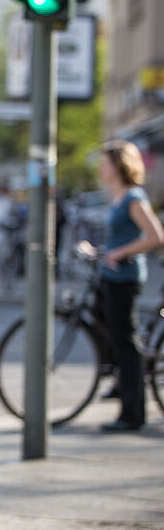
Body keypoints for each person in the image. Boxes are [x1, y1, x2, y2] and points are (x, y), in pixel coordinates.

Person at [94, 140, 164, 432]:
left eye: (105, 162)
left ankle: (132, 412)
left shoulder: (133, 198)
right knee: (110, 331)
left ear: (119, 166)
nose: (101, 167)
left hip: (126, 278)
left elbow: (155, 236)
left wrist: (120, 253)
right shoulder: (117, 196)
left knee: (126, 343)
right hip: (111, 275)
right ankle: (121, 386)